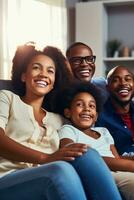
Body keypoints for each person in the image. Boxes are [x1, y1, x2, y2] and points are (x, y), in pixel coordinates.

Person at [0, 42, 122, 200]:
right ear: (23, 75)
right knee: (60, 170)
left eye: (50, 71)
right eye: (37, 68)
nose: (44, 74)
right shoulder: (7, 98)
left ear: (53, 82)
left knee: (86, 153)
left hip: (43, 175)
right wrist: (45, 158)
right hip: (6, 178)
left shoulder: (59, 119)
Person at [56, 81, 134, 200]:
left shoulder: (103, 131)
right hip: (102, 175)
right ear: (68, 112)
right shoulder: (68, 130)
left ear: (96, 116)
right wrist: (131, 166)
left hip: (119, 170)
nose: (87, 109)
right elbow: (73, 156)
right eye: (80, 104)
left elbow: (116, 159)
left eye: (91, 106)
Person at [96, 65, 134, 156]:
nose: (123, 83)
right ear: (107, 87)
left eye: (128, 79)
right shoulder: (99, 116)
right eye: (115, 80)